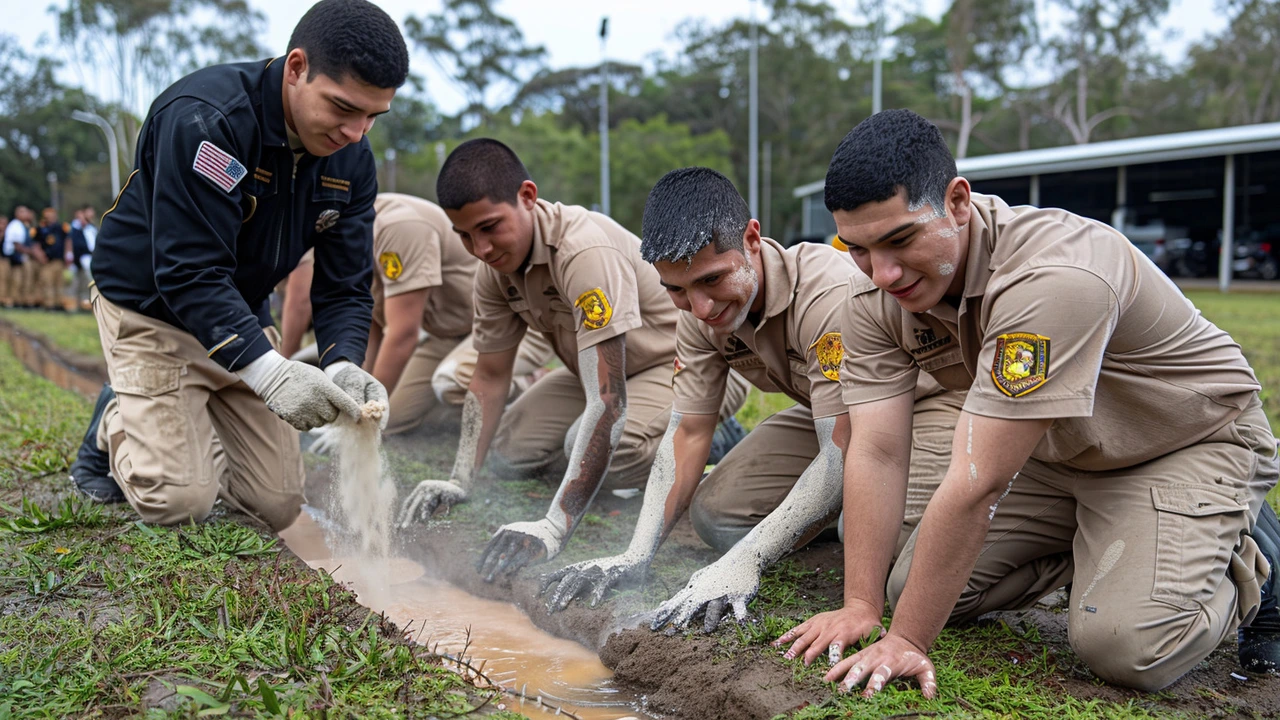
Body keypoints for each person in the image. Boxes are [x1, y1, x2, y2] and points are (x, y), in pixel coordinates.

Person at [779, 109, 1280, 696]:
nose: (882, 273)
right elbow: (879, 449)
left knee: (1128, 647)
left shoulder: (1054, 276)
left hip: (1182, 440)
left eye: (900, 240)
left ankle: (1243, 558)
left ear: (958, 202)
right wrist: (861, 606)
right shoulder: (870, 294)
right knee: (907, 585)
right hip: (1058, 452)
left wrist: (908, 642)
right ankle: (1107, 547)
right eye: (858, 249)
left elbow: (979, 482)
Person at [540, 167, 963, 628]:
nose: (701, 307)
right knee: (715, 515)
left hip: (924, 407)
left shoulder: (826, 294)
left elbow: (845, 451)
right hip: (832, 419)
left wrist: (749, 559)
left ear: (752, 240)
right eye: (677, 290)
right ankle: (822, 512)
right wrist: (636, 553)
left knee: (887, 552)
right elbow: (689, 430)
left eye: (712, 280)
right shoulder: (698, 314)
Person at [66, 0, 410, 531]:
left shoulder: (352, 163)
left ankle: (179, 423)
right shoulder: (206, 120)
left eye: (372, 115)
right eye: (343, 108)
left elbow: (344, 286)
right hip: (151, 308)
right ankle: (116, 419)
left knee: (274, 505)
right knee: (180, 501)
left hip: (239, 314)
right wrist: (269, 371)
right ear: (297, 68)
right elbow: (187, 272)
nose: (357, 133)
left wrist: (342, 363)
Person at [397, 140, 748, 580]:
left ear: (528, 197)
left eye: (489, 227)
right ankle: (614, 454)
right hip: (599, 374)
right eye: (465, 236)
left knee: (594, 448)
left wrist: (554, 525)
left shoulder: (582, 251)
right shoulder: (493, 270)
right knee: (508, 450)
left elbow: (609, 401)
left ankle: (715, 437)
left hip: (682, 368)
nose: (481, 249)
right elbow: (489, 375)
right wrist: (460, 478)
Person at [279, 193, 556, 454]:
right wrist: (354, 405)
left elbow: (402, 334)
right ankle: (467, 404)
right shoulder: (345, 242)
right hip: (449, 334)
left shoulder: (398, 228)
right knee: (392, 417)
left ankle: (524, 382)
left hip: (508, 324)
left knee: (448, 382)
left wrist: (361, 419)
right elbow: (371, 331)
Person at [33, 207, 72, 310]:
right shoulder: (40, 229)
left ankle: (59, 303)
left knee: (59, 283)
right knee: (47, 282)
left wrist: (68, 255)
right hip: (46, 261)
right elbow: (35, 244)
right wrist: (40, 256)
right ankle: (49, 304)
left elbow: (68, 241)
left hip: (59, 260)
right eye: (47, 216)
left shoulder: (61, 227)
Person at [3, 206, 36, 307]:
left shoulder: (23, 225)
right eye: (22, 212)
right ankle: (14, 301)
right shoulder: (15, 225)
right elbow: (17, 245)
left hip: (20, 257)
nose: (25, 214)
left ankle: (22, 300)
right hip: (14, 257)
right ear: (17, 214)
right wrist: (31, 252)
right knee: (16, 280)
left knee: (23, 280)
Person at [68, 204, 97, 310]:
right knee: (79, 283)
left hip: (91, 258)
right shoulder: (75, 230)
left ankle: (86, 304)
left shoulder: (91, 228)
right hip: (81, 259)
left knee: (87, 283)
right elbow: (74, 245)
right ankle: (77, 304)